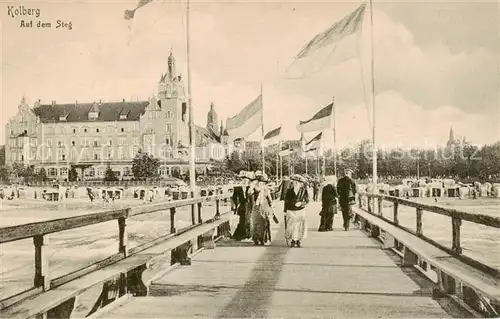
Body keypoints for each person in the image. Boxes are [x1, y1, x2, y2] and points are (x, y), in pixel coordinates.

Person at [284, 174, 309, 248]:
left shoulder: (304, 191)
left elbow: (307, 200)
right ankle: (293, 240)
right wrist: (285, 210)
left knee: (299, 225)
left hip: (300, 210)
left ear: (300, 183)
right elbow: (286, 201)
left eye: (297, 182)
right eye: (294, 182)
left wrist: (301, 203)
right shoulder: (289, 191)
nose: (295, 183)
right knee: (291, 225)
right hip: (291, 210)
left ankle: (298, 240)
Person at [251, 172, 273, 246]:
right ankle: (256, 239)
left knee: (263, 224)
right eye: (260, 182)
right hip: (257, 207)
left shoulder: (265, 189)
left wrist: (271, 205)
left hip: (263, 207)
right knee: (257, 224)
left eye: (262, 183)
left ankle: (262, 238)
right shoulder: (254, 189)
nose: (261, 184)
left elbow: (269, 198)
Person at [231, 171, 251, 241]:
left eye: (246, 178)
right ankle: (242, 234)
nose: (244, 180)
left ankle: (248, 234)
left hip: (249, 206)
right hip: (242, 206)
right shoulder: (237, 188)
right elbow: (233, 197)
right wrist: (236, 205)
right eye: (243, 178)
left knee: (248, 220)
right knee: (242, 220)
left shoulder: (250, 187)